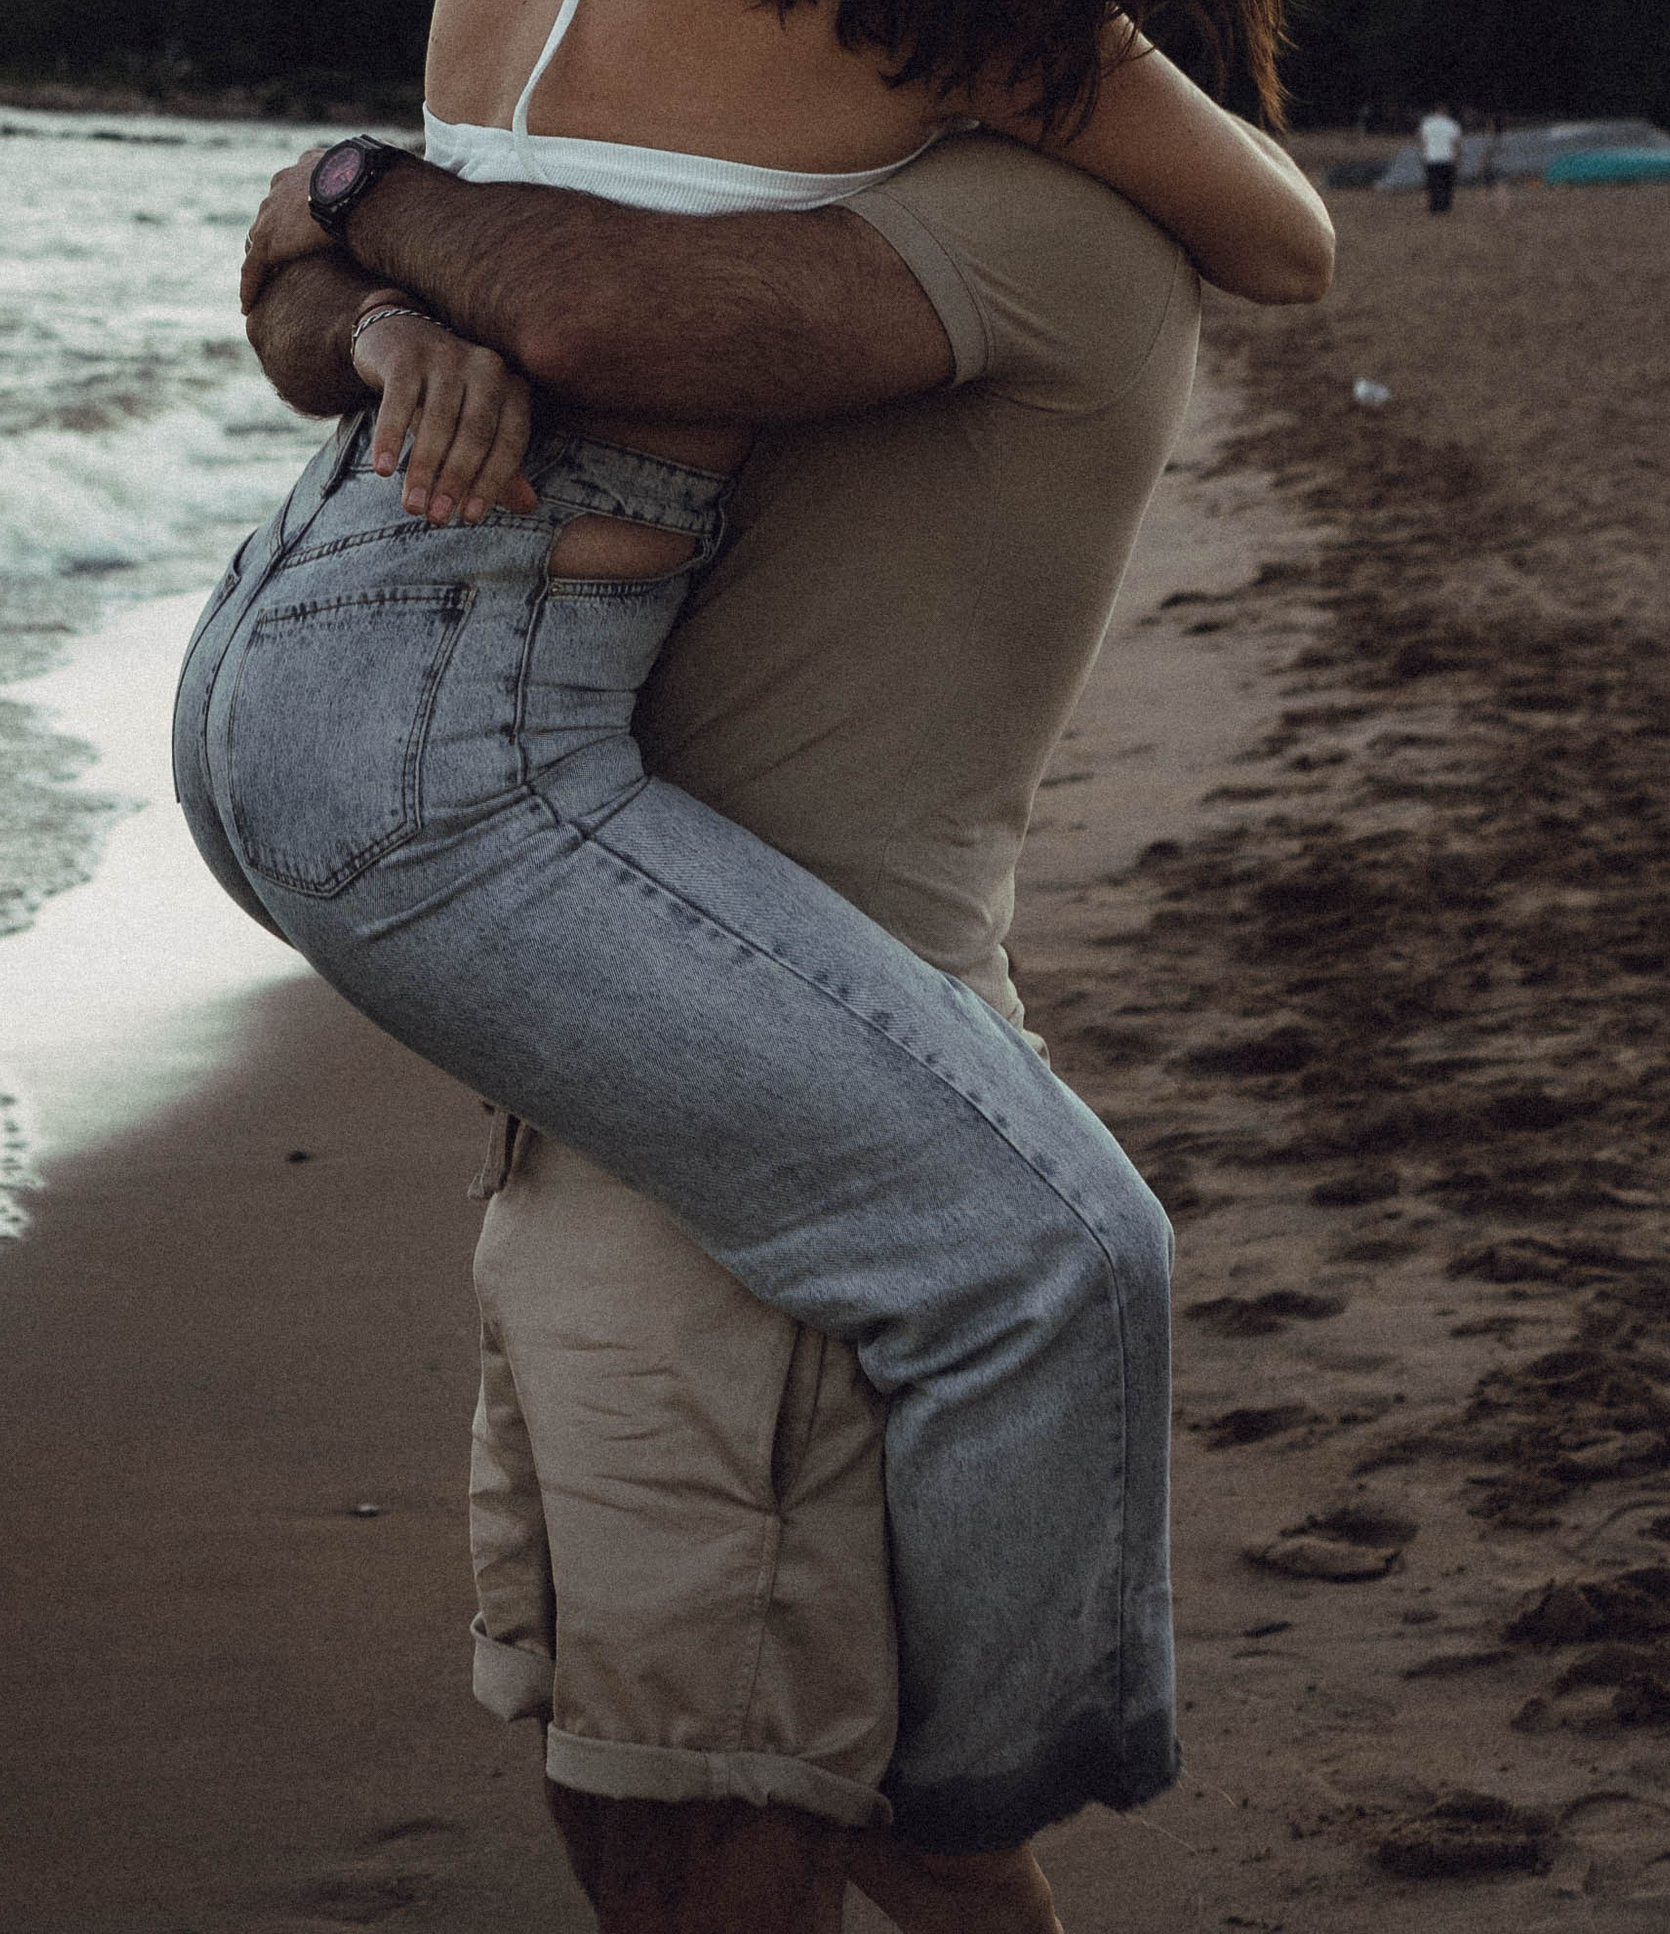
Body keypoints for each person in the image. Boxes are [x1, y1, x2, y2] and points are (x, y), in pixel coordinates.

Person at [175, 0, 1387, 1912]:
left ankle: (962, 1801)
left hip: (313, 635)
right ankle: (998, 1769)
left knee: (730, 1706)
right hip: (464, 743)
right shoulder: (967, 29)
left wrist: (353, 226)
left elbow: (449, 265)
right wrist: (384, 275)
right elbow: (1281, 238)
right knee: (1049, 1280)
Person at [240, 120, 1206, 1934]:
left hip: (792, 1151)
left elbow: (571, 309)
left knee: (715, 1824)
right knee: (663, 1778)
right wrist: (383, 324)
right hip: (629, 1052)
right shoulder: (726, 194)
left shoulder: (1022, 229)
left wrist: (356, 192)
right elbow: (286, 298)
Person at [1417, 101, 1463, 213]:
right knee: (1447, 184)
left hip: (1432, 158)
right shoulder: (1453, 124)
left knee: (1433, 184)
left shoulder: (1426, 123)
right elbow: (1456, 144)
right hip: (1448, 158)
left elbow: (1423, 141)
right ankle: (1445, 206)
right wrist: (1458, 159)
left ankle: (1434, 206)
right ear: (1446, 111)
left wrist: (1424, 154)